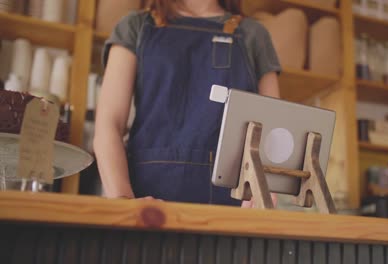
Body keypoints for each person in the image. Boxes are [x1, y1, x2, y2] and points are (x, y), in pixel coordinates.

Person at [94, 0, 281, 207]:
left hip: (233, 207)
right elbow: (108, 125)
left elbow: (272, 131)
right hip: (144, 204)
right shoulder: (135, 26)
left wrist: (263, 191)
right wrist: (123, 200)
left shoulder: (253, 34)